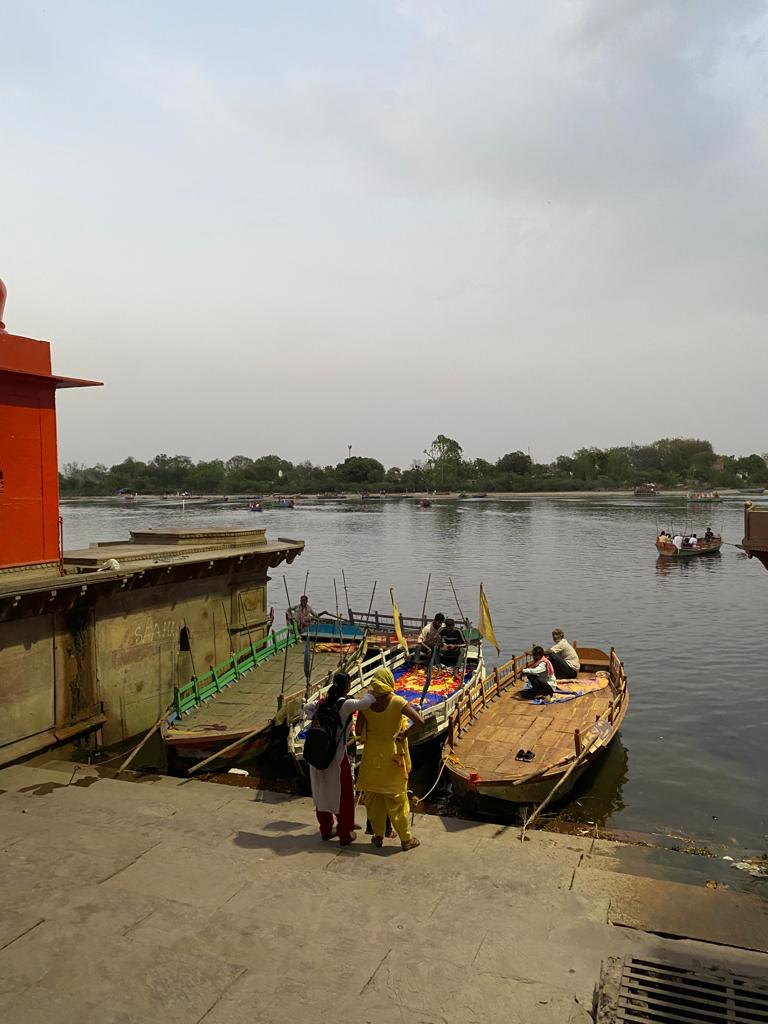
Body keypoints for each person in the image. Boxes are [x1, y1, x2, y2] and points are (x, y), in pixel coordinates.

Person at [356, 667, 424, 851]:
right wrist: (404, 733)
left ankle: (378, 837)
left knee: (374, 799)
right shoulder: (397, 701)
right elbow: (420, 722)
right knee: (398, 801)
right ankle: (406, 840)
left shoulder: (366, 704)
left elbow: (357, 731)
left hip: (371, 758)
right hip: (393, 758)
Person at [302, 672, 373, 845]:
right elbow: (367, 702)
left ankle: (326, 829)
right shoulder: (345, 705)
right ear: (347, 686)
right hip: (336, 758)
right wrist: (375, 689)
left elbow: (306, 708)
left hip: (317, 756)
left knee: (321, 792)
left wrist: (320, 709)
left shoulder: (322, 703)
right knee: (344, 795)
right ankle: (345, 833)